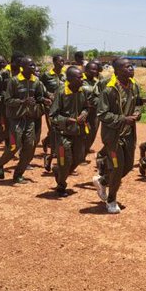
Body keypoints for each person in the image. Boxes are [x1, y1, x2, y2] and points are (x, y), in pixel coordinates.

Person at [94, 57, 142, 214]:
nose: (131, 68)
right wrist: (123, 119)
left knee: (128, 167)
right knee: (116, 167)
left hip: (128, 135)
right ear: (117, 71)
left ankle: (103, 181)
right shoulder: (109, 89)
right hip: (113, 137)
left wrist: (137, 113)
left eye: (131, 66)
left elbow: (138, 103)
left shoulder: (134, 85)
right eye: (127, 67)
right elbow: (102, 114)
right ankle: (111, 200)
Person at [0, 57, 50, 183]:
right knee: (14, 146)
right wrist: (22, 102)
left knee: (30, 147)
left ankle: (18, 174)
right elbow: (7, 100)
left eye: (34, 65)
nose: (33, 67)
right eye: (30, 65)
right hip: (16, 119)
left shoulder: (36, 81)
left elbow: (38, 97)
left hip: (30, 118)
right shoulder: (14, 81)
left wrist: (44, 100)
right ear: (23, 67)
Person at [49, 66, 90, 196]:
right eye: (79, 77)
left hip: (79, 132)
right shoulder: (61, 92)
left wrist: (84, 114)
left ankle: (59, 172)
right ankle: (61, 185)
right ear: (71, 79)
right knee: (65, 161)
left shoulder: (83, 91)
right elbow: (52, 116)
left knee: (78, 159)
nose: (82, 79)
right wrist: (68, 120)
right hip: (63, 134)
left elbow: (86, 107)